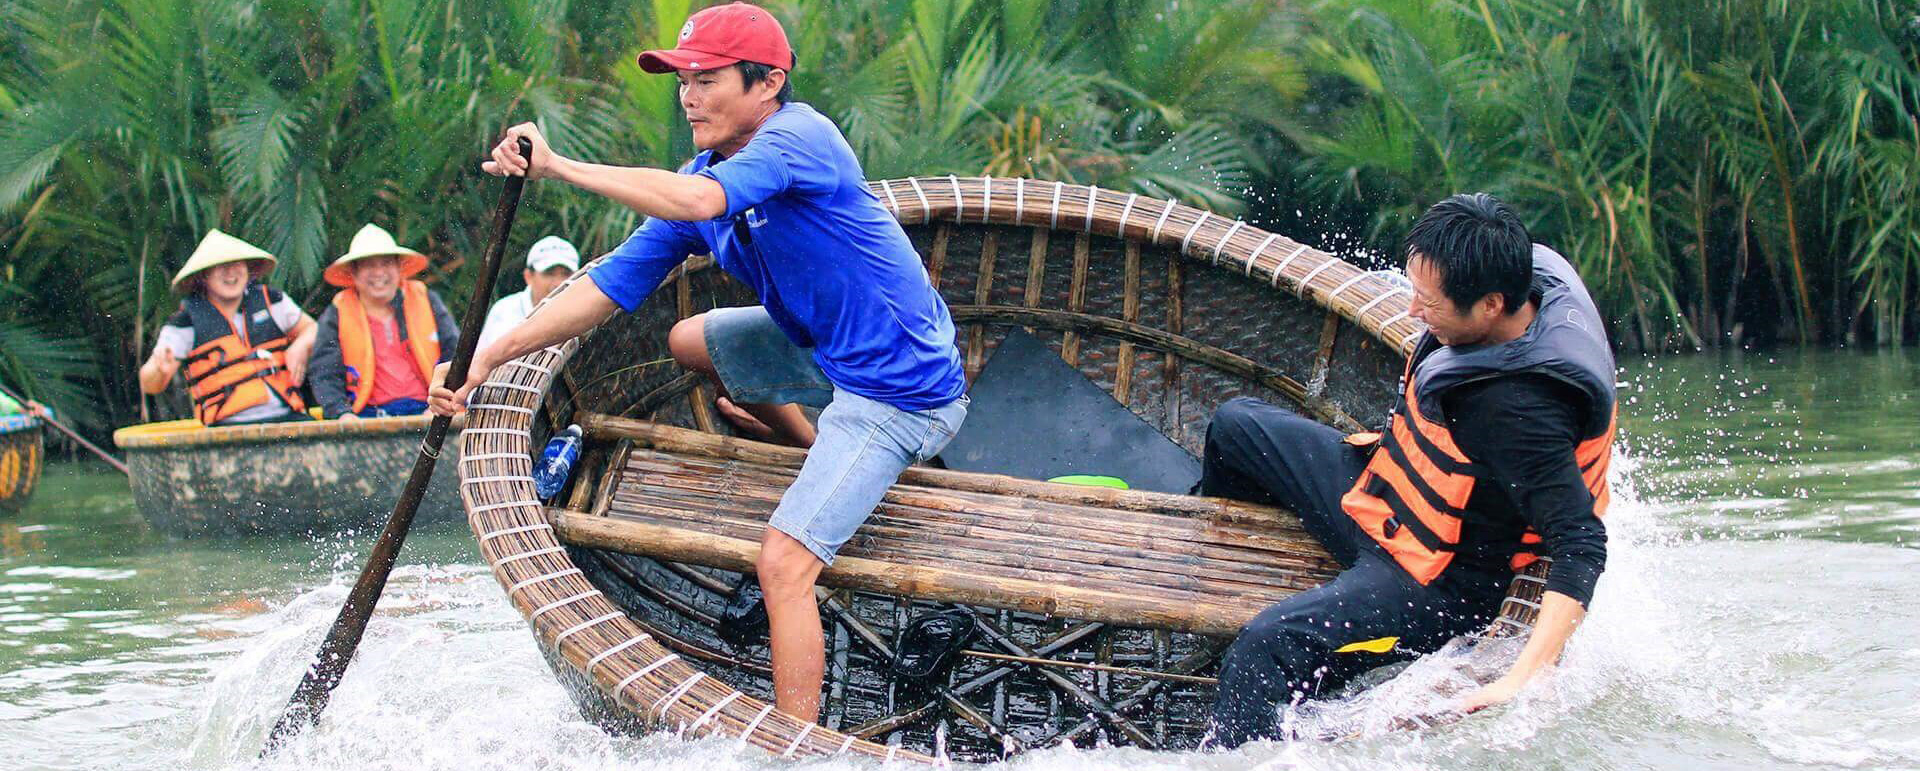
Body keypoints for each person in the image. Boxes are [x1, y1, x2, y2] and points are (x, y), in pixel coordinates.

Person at [430, 2, 968, 723]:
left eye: (707, 78)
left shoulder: (800, 138)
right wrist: (486, 358)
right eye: (682, 79)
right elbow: (606, 285)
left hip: (903, 392)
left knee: (781, 566)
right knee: (687, 340)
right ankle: (816, 448)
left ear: (767, 82)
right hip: (828, 354)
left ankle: (795, 745)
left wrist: (557, 164)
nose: (688, 95)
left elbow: (700, 197)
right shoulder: (707, 171)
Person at [1201, 194, 1616, 747]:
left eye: (1429, 302)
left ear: (1491, 304)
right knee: (1235, 425)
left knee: (1262, 647)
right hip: (1385, 496)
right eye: (1414, 290)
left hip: (1436, 578)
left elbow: (1582, 543)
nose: (1414, 311)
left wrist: (1519, 679)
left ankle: (1237, 751)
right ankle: (1223, 580)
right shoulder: (1530, 278)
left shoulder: (1515, 412)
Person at [138, 230, 317, 426]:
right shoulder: (185, 322)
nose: (231, 273)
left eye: (237, 264)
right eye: (221, 267)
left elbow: (312, 328)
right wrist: (158, 369)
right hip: (227, 427)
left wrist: (301, 345)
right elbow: (150, 384)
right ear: (204, 276)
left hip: (288, 417)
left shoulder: (273, 301)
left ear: (248, 269)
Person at [309, 224, 460, 419]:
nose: (379, 273)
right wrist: (342, 414)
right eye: (369, 265)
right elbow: (324, 373)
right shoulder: (337, 313)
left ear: (399, 268)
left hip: (429, 411)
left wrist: (440, 404)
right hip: (366, 418)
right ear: (353, 273)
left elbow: (456, 354)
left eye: (386, 263)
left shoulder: (426, 299)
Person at [474, 235, 580, 351]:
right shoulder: (504, 311)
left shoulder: (585, 312)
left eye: (566, 274)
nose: (559, 283)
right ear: (528, 276)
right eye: (549, 273)